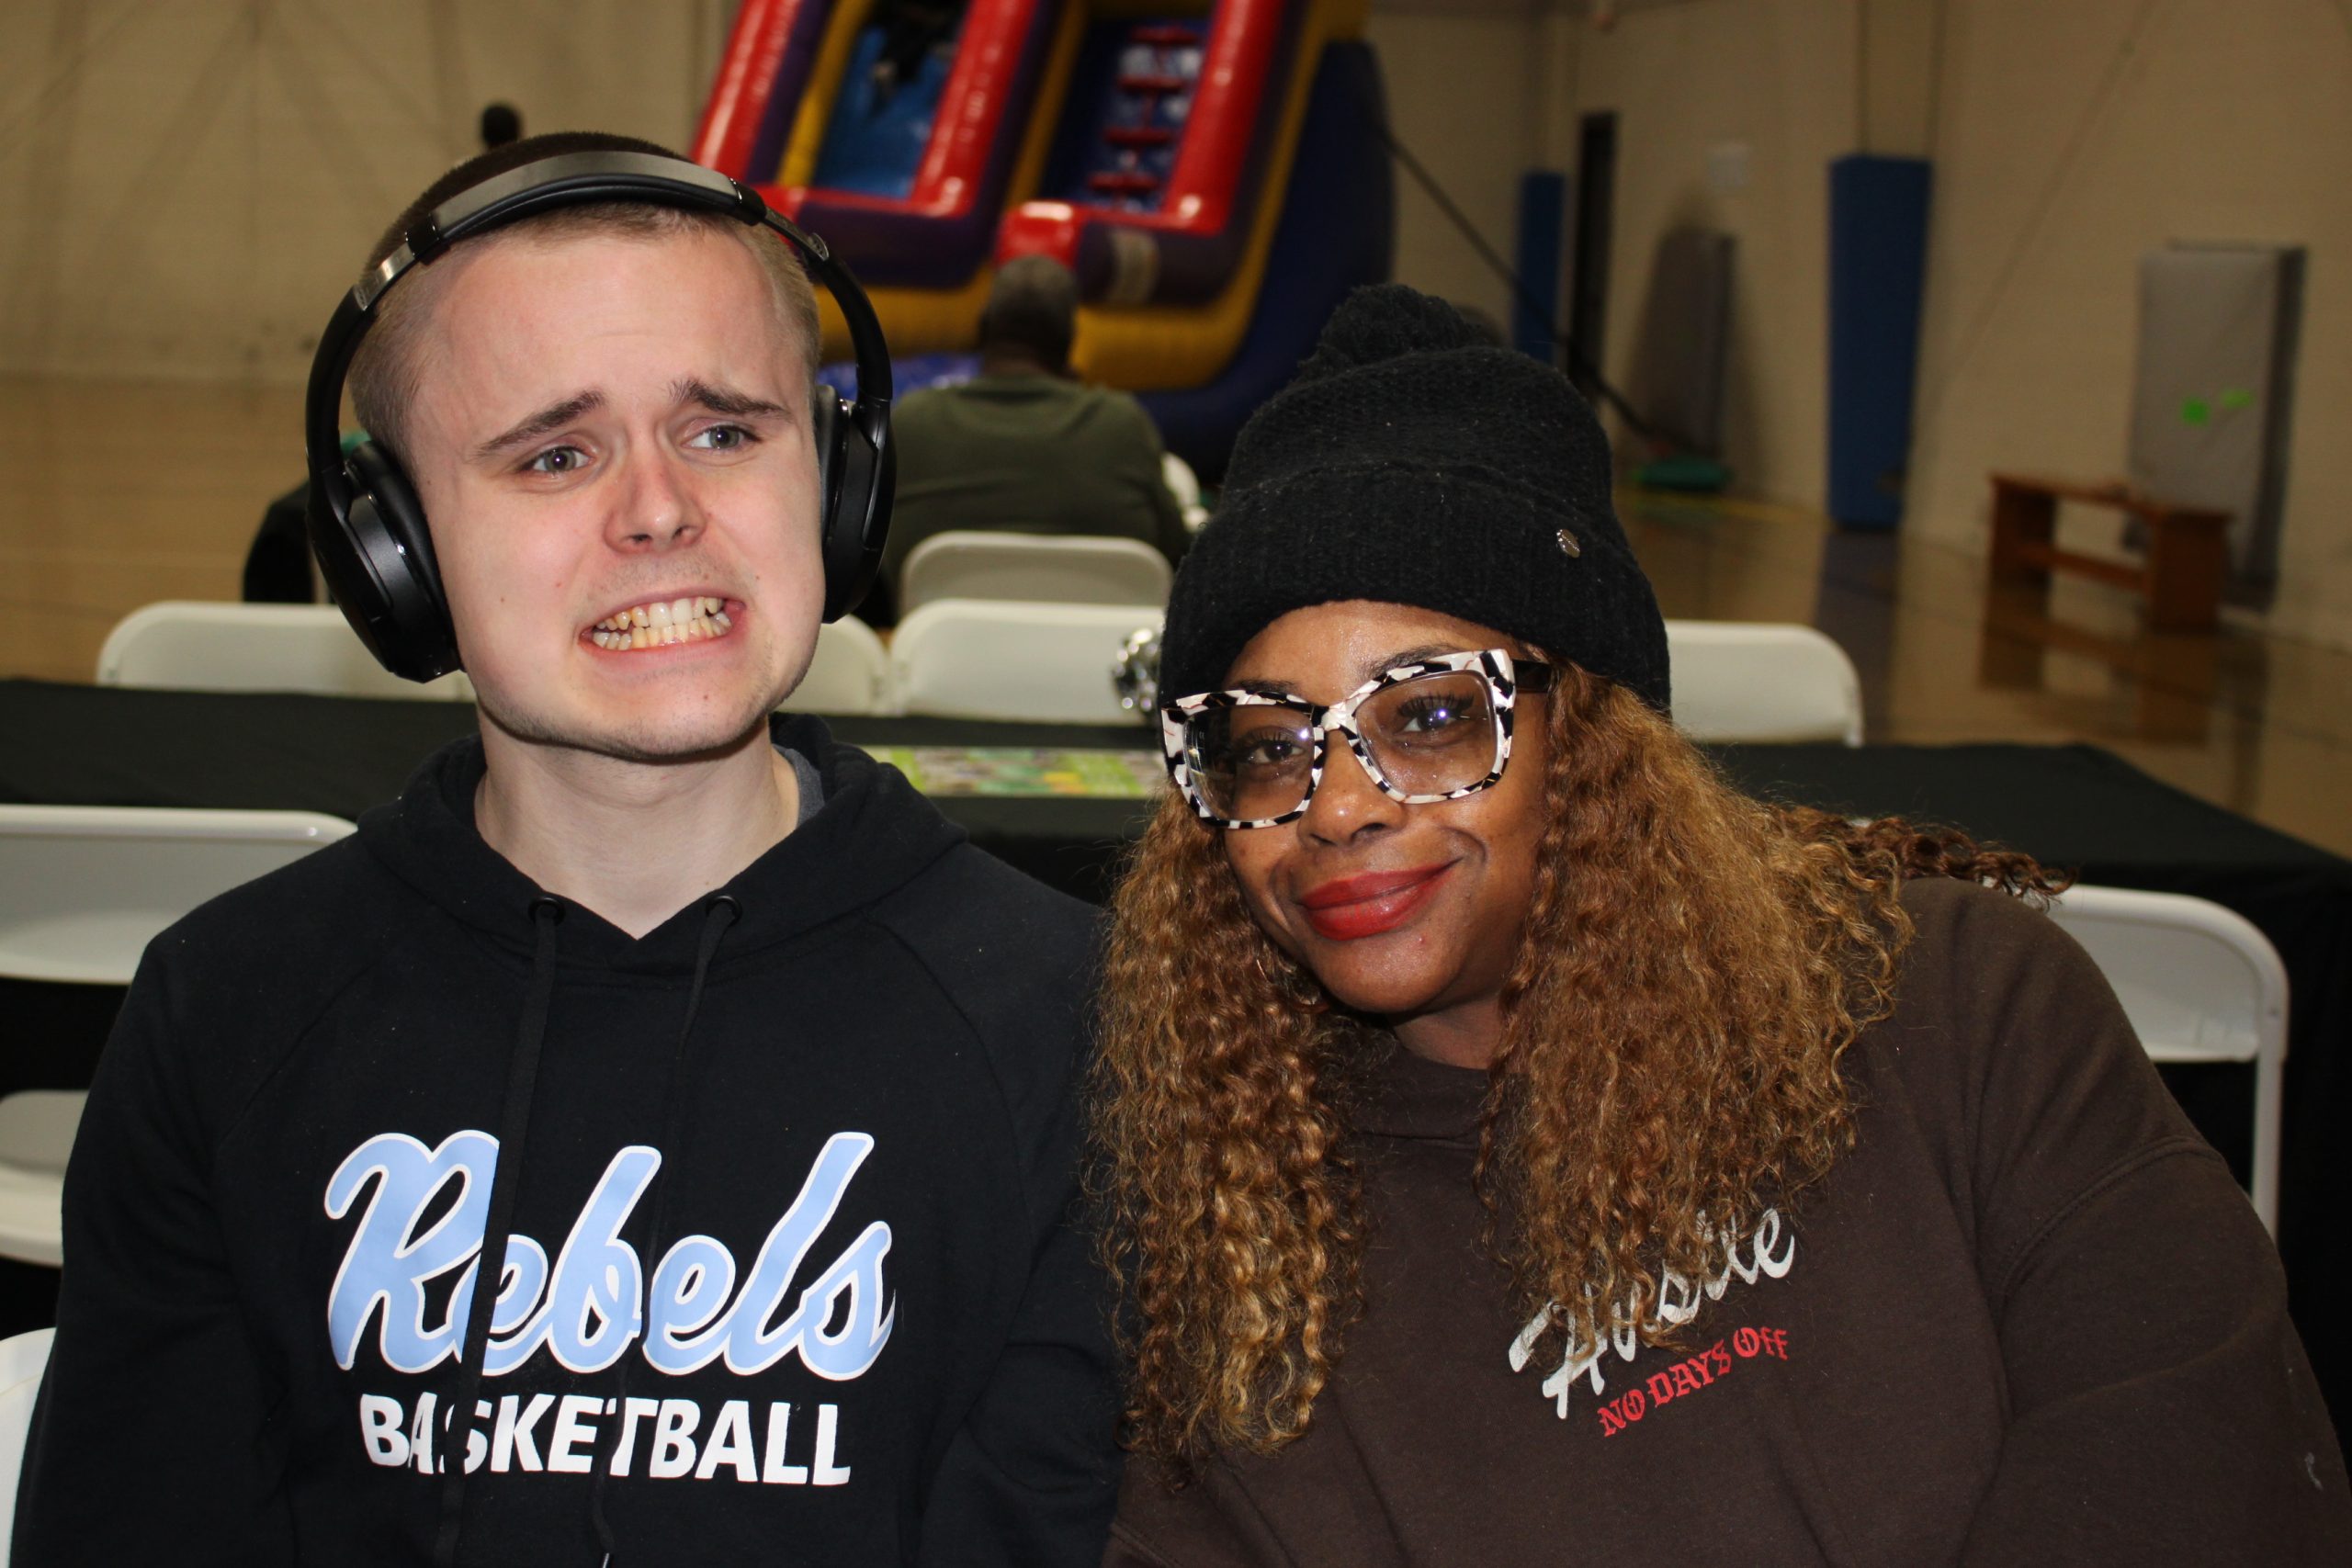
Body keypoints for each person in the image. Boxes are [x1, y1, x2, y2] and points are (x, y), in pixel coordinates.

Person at [1090, 285, 2351, 1565]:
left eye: (1428, 716)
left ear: (1591, 740)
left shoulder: (1963, 1012)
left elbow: (2211, 1458)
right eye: (1268, 746)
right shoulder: (1248, 1246)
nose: (1337, 805)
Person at [16, 133, 1119, 1565]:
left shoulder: (1072, 1019)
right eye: (554, 452)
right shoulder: (225, 1011)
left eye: (724, 431)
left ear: (838, 480)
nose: (659, 508)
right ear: (396, 550)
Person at [867, 254, 1188, 623]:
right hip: (1096, 654)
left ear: (982, 328)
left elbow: (869, 563)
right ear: (1069, 341)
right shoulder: (1122, 424)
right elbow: (1177, 553)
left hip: (940, 653)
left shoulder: (914, 421)